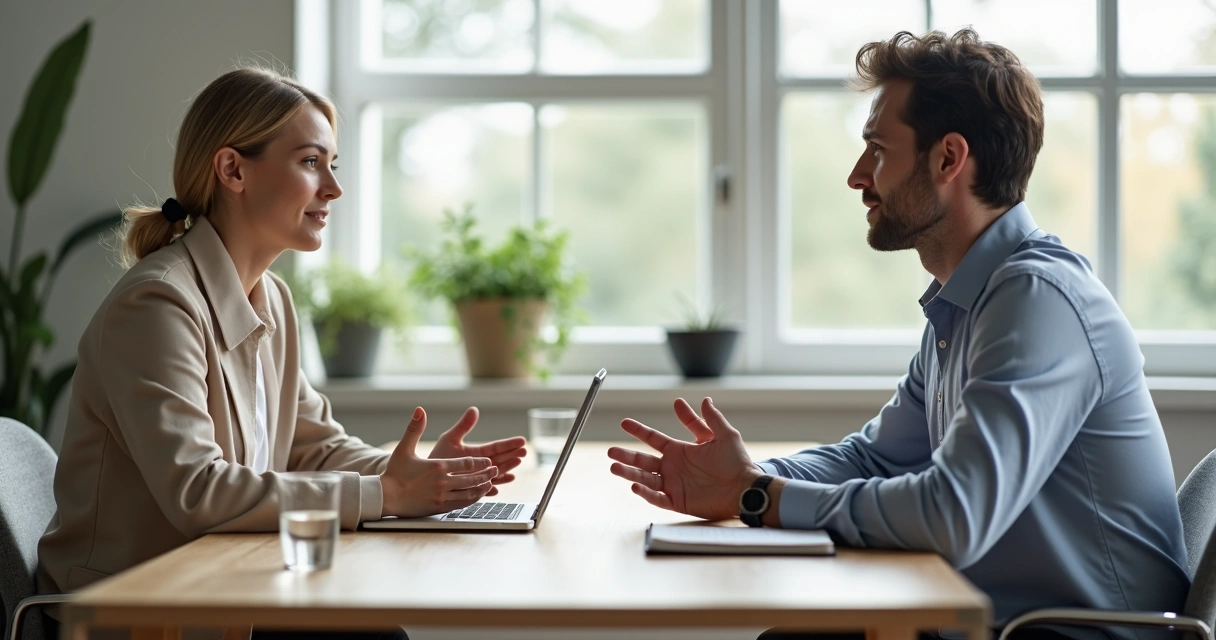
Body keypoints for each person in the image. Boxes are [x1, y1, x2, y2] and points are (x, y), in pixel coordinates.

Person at [607, 29, 1188, 640]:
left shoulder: (1036, 301)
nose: (858, 177)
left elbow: (952, 515)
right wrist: (744, 477)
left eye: (878, 150)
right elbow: (876, 457)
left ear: (948, 158)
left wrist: (757, 496)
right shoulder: (965, 302)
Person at [35, 67, 527, 640]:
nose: (333, 190)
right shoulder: (156, 305)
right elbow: (199, 491)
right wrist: (387, 494)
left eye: (331, 165)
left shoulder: (271, 298)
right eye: (311, 162)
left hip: (220, 586)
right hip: (133, 612)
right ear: (233, 169)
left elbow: (312, 447)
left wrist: (407, 473)